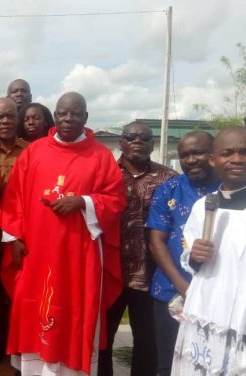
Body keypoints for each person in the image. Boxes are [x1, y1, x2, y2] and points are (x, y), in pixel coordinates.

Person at [0, 92, 126, 375]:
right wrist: (14, 238)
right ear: (55, 116)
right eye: (62, 113)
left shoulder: (101, 157)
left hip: (78, 255)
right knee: (35, 305)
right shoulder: (34, 151)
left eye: (75, 114)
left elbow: (115, 200)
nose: (68, 119)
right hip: (36, 251)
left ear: (86, 118)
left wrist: (83, 201)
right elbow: (14, 196)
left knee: (76, 307)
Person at [98, 122, 177, 376]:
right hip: (108, 270)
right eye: (130, 137)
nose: (137, 141)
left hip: (150, 273)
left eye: (144, 138)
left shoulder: (169, 179)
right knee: (102, 340)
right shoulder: (103, 173)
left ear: (153, 144)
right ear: (120, 142)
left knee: (147, 342)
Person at [171, 126, 246, 375]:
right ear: (214, 160)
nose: (237, 159)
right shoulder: (203, 206)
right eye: (228, 153)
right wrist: (194, 256)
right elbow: (190, 262)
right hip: (208, 306)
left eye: (244, 152)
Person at [146, 131, 219, 376]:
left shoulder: (232, 191)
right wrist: (184, 287)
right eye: (184, 155)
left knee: (214, 362)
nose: (190, 160)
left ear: (214, 154)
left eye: (198, 152)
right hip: (172, 293)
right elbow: (157, 241)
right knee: (168, 362)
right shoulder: (169, 190)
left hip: (218, 295)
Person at [0, 97, 29, 369]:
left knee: (22, 294)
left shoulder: (32, 151)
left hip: (24, 236)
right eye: (0, 117)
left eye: (10, 116)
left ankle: (21, 347)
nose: (5, 122)